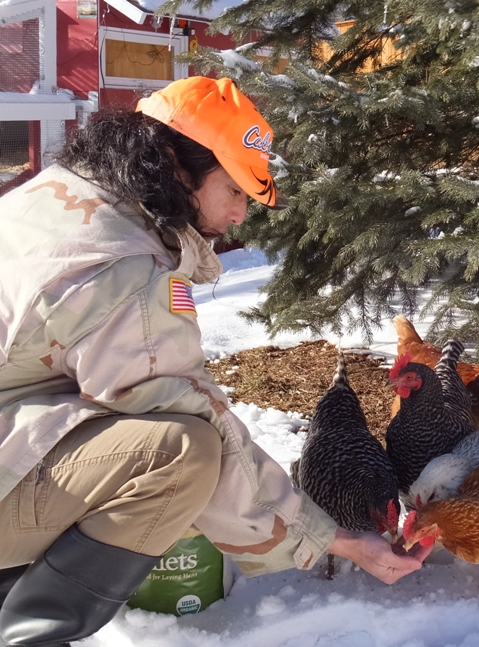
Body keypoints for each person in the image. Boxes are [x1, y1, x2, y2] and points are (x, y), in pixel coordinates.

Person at [0, 76, 430, 647]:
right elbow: (188, 409)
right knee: (178, 453)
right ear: (179, 170)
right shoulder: (121, 267)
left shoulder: (58, 197)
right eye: (234, 191)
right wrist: (336, 540)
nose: (240, 216)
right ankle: (28, 635)